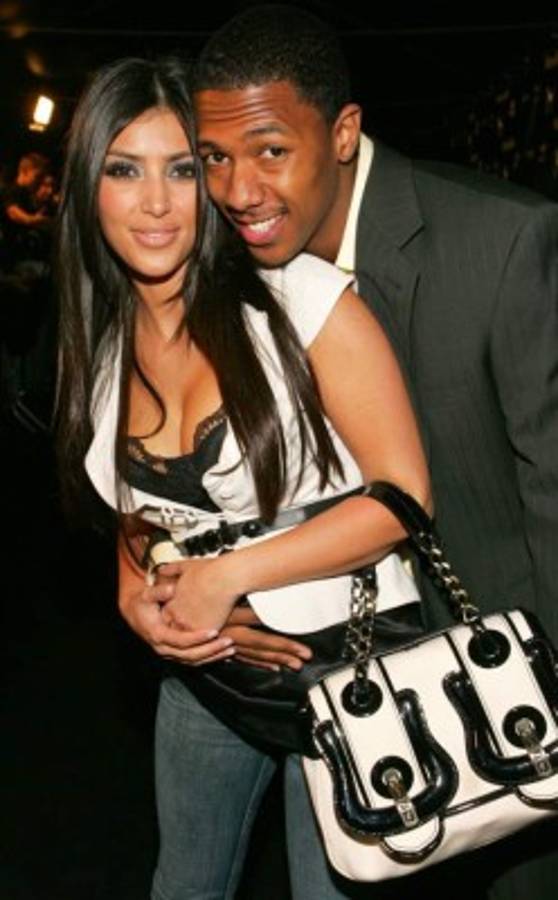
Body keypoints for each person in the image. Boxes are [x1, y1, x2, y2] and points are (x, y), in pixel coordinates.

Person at [181, 5, 557, 899]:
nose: (238, 190)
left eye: (271, 150)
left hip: (502, 693)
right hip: (332, 693)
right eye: (215, 158)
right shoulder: (218, 267)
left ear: (343, 133)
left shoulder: (502, 241)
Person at [55, 56, 430, 899]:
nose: (156, 203)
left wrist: (226, 576)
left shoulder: (299, 298)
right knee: (182, 887)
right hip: (209, 678)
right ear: (88, 189)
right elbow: (141, 513)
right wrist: (134, 593)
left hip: (345, 673)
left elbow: (403, 499)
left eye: (183, 170)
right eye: (125, 170)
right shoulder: (105, 349)